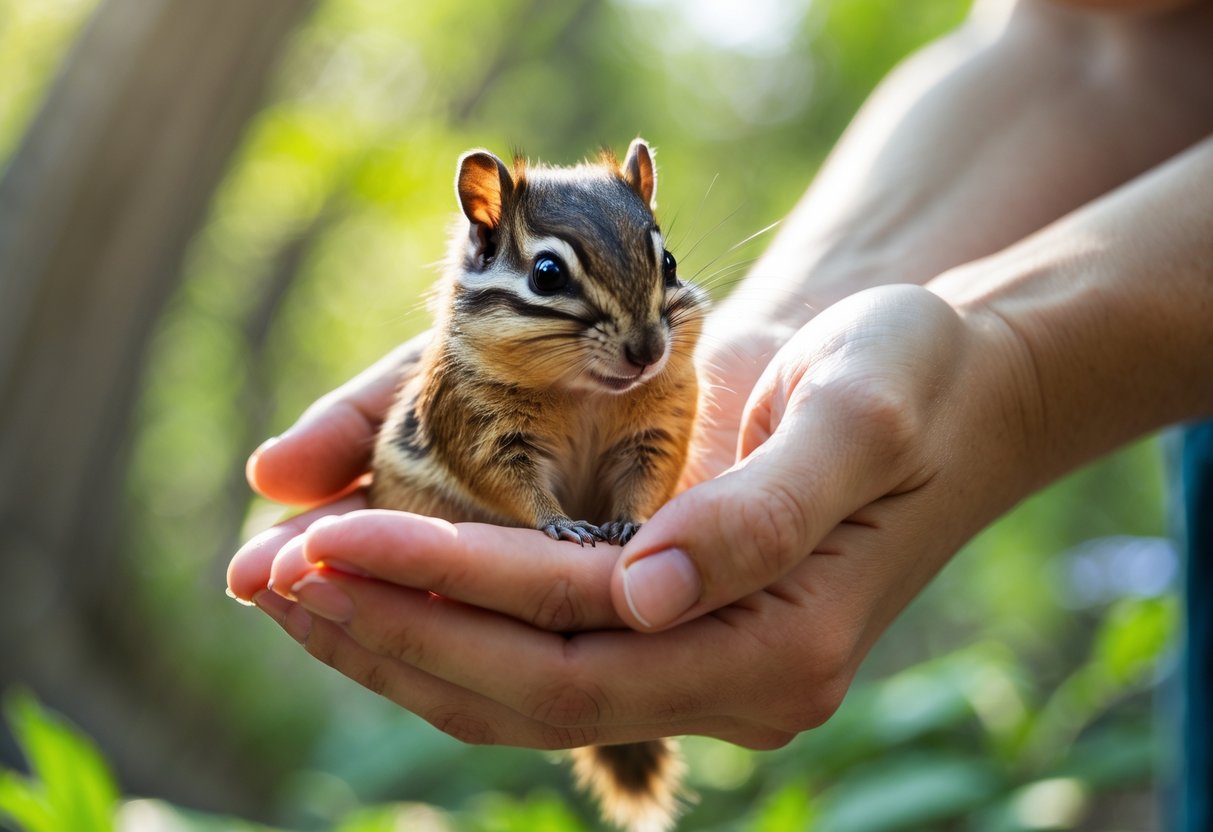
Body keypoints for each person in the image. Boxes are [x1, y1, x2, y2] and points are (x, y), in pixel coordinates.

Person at [227, 0, 1213, 825]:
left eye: (658, 280)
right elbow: (1096, 40)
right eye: (553, 281)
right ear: (481, 230)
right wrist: (796, 320)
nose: (646, 342)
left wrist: (1018, 364)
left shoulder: (656, 356)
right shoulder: (477, 368)